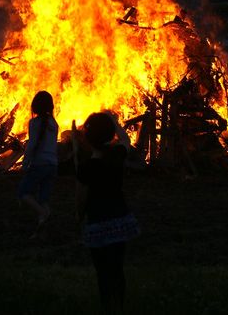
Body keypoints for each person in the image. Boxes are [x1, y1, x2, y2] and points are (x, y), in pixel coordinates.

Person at [76, 112, 139, 314]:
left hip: (98, 223)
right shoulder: (117, 157)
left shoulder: (86, 168)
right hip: (120, 220)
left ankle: (107, 306)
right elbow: (126, 141)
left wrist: (79, 216)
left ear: (87, 139)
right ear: (111, 135)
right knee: (117, 268)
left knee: (102, 271)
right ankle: (119, 305)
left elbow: (81, 197)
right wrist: (115, 123)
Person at [19, 91, 58, 237]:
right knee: (44, 198)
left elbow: (32, 145)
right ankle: (43, 224)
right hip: (53, 165)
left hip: (40, 164)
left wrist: (25, 163)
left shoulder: (34, 123)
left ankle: (42, 214)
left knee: (23, 192)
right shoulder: (54, 123)